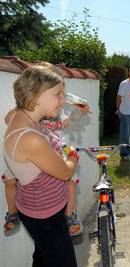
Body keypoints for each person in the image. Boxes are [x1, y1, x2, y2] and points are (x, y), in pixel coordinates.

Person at [3, 65, 79, 266]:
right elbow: (64, 173)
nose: (63, 101)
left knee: (44, 257)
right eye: (58, 94)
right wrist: (73, 156)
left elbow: (8, 116)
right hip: (46, 216)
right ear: (35, 95)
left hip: (37, 209)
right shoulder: (30, 139)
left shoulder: (19, 115)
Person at [3, 104, 89, 236]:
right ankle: (12, 213)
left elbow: (65, 123)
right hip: (28, 161)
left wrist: (79, 114)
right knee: (9, 180)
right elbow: (8, 118)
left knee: (71, 180)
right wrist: (23, 103)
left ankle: (70, 214)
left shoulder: (52, 120)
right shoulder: (30, 120)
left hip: (55, 155)